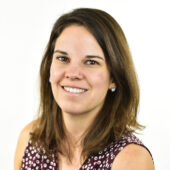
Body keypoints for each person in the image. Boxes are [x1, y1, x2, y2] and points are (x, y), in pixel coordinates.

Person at [14, 8, 154, 170]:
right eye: (63, 58)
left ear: (114, 77)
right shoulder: (31, 139)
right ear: (49, 69)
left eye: (91, 62)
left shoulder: (130, 160)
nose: (73, 74)